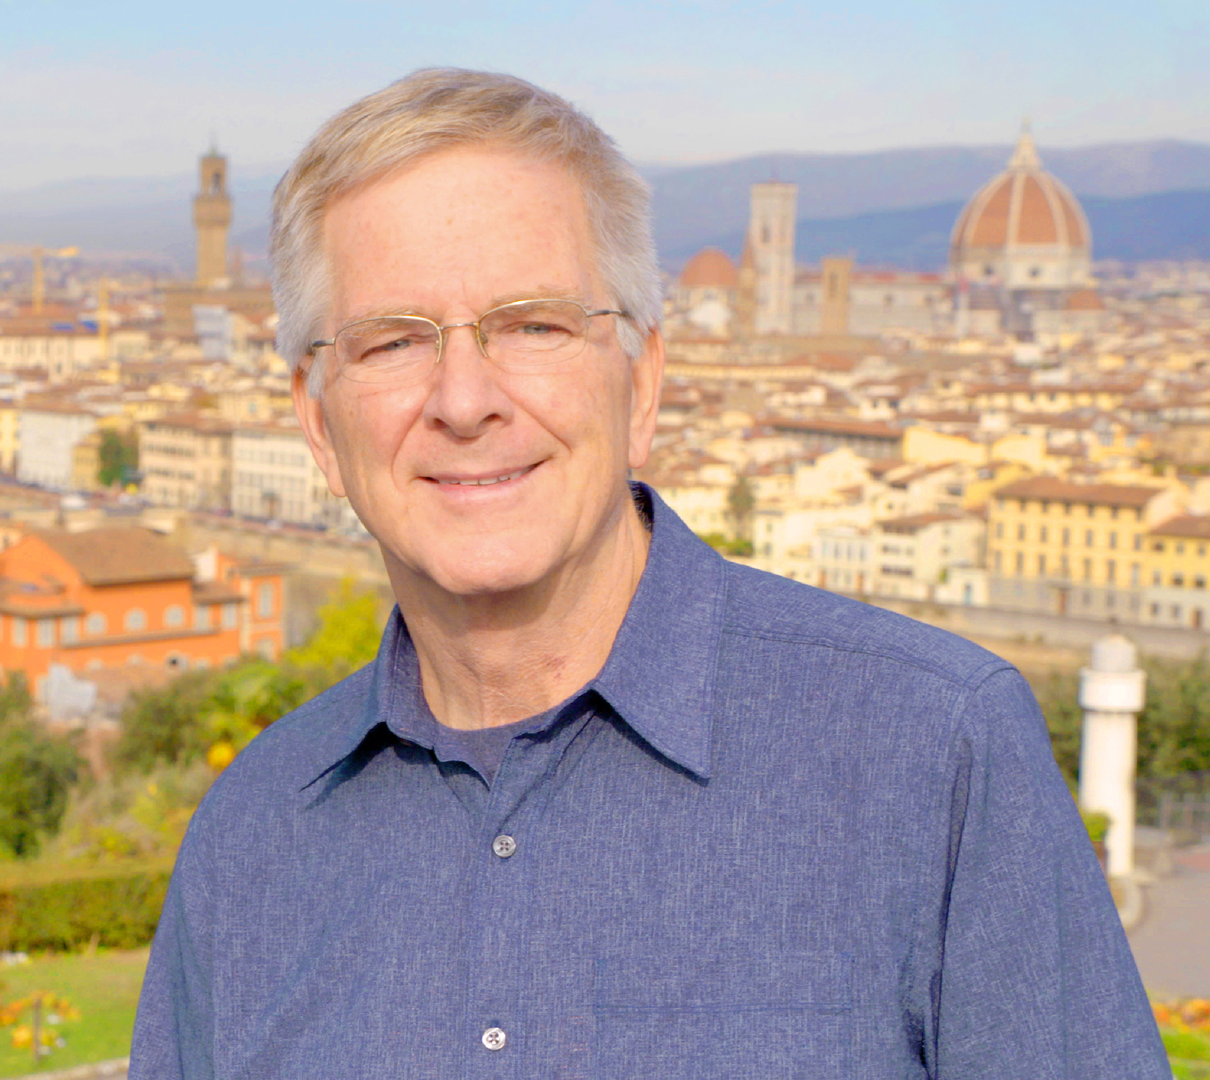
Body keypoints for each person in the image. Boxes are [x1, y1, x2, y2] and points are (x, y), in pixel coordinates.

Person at [130, 68, 1166, 1078]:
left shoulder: (935, 756)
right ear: (318, 422)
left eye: (532, 324)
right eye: (394, 341)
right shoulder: (247, 841)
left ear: (644, 380)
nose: (463, 399)